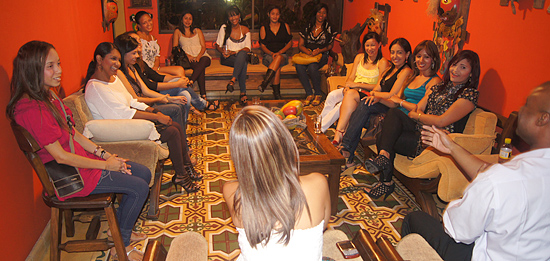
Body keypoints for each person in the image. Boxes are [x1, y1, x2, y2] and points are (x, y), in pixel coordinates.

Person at [6, 41, 150, 260]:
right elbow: (61, 157)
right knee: (139, 187)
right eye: (50, 66)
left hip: (81, 164)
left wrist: (104, 154)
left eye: (59, 63)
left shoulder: (48, 97)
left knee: (144, 173)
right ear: (33, 69)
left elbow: (73, 134)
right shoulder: (31, 109)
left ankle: (119, 231)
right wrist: (106, 165)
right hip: (71, 177)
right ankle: (121, 246)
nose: (59, 70)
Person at [402, 82, 550, 261]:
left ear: (543, 119)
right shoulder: (518, 173)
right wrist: (451, 147)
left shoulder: (500, 181)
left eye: (527, 104)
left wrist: (463, 200)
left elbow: (456, 229)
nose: (520, 109)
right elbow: (490, 172)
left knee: (414, 219)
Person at [83, 42, 201, 195]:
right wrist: (156, 116)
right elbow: (123, 114)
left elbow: (132, 101)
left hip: (129, 123)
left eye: (118, 60)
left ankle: (183, 171)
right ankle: (182, 174)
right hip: (119, 131)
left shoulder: (113, 79)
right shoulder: (95, 88)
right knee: (172, 131)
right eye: (113, 59)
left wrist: (153, 111)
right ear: (99, 59)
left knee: (176, 127)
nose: (117, 64)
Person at [363, 50, 480, 200]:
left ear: (471, 73)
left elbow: (441, 121)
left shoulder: (469, 95)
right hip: (419, 129)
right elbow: (417, 108)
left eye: (463, 67)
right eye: (455, 65)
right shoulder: (439, 87)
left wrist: (419, 116)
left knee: (383, 137)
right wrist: (418, 115)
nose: (456, 70)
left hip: (434, 140)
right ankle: (384, 158)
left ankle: (386, 182)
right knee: (393, 115)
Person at [223, 106, 331, 260]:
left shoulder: (231, 191)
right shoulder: (318, 183)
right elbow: (323, 224)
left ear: (238, 155)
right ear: (285, 142)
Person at [339, 40, 440, 167]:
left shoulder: (433, 80)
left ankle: (346, 149)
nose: (421, 60)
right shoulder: (413, 76)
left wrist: (400, 102)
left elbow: (416, 107)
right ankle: (348, 152)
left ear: (433, 59)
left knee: (387, 115)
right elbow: (394, 102)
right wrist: (379, 98)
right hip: (396, 115)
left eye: (426, 57)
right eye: (419, 56)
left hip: (411, 120)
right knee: (364, 107)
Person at [322, 32, 391, 144]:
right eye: (367, 45)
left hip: (367, 93)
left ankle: (326, 130)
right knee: (332, 95)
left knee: (342, 105)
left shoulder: (382, 62)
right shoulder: (359, 57)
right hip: (353, 89)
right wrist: (347, 86)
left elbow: (379, 86)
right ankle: (321, 123)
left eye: (373, 45)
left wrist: (358, 85)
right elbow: (351, 77)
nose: (370, 48)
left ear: (379, 44)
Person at [126, 31, 219, 114]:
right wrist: (177, 84)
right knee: (182, 88)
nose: (139, 43)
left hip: (155, 88)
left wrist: (178, 80)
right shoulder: (132, 66)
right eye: (135, 41)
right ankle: (203, 104)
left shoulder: (140, 62)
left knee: (185, 94)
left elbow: (157, 76)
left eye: (139, 40)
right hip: (152, 95)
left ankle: (184, 126)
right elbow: (151, 86)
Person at [114, 33, 192, 131]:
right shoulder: (120, 73)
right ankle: (182, 140)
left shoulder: (132, 67)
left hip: (148, 103)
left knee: (182, 99)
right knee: (176, 108)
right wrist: (163, 99)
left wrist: (169, 98)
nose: (137, 56)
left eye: (137, 53)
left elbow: (146, 90)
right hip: (140, 108)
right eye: (133, 53)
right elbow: (136, 99)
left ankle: (182, 140)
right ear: (123, 53)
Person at [295, 3, 337, 106]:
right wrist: (309, 52)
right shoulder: (308, 26)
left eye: (324, 13)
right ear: (315, 13)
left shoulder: (329, 28)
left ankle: (318, 94)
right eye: (319, 12)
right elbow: (300, 45)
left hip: (322, 55)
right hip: (307, 54)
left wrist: (320, 50)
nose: (321, 15)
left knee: (312, 67)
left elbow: (330, 46)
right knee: (299, 66)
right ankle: (309, 93)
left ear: (326, 14)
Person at [214, 5, 251, 106]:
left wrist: (234, 52)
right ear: (228, 18)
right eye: (230, 16)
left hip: (239, 56)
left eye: (235, 15)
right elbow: (218, 45)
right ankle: (243, 93)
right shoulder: (224, 28)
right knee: (243, 63)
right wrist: (223, 51)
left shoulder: (245, 29)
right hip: (227, 58)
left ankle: (232, 81)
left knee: (242, 55)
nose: (233, 18)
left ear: (239, 15)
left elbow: (248, 48)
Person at [172, 10, 213, 101]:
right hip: (188, 58)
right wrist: (188, 56)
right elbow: (175, 48)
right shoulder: (178, 31)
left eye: (190, 19)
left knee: (204, 61)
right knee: (199, 68)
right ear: (182, 19)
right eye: (186, 18)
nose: (188, 21)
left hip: (202, 56)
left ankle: (191, 81)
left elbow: (203, 47)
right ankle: (203, 96)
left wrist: (198, 56)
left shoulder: (197, 30)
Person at [132, 11, 184, 77]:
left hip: (155, 68)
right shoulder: (136, 38)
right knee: (175, 78)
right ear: (139, 26)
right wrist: (150, 71)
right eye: (144, 23)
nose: (148, 24)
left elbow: (157, 58)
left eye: (149, 20)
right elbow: (138, 59)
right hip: (145, 70)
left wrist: (155, 68)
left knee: (180, 70)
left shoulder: (152, 38)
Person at [257, 5, 293, 99]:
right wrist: (271, 53)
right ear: (268, 14)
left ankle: (265, 83)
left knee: (279, 58)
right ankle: (277, 95)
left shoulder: (285, 26)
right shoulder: (264, 28)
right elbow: (263, 46)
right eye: (273, 14)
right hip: (268, 56)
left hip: (283, 56)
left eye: (277, 14)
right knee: (277, 68)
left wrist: (280, 52)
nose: (275, 16)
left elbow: (289, 43)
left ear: (280, 15)